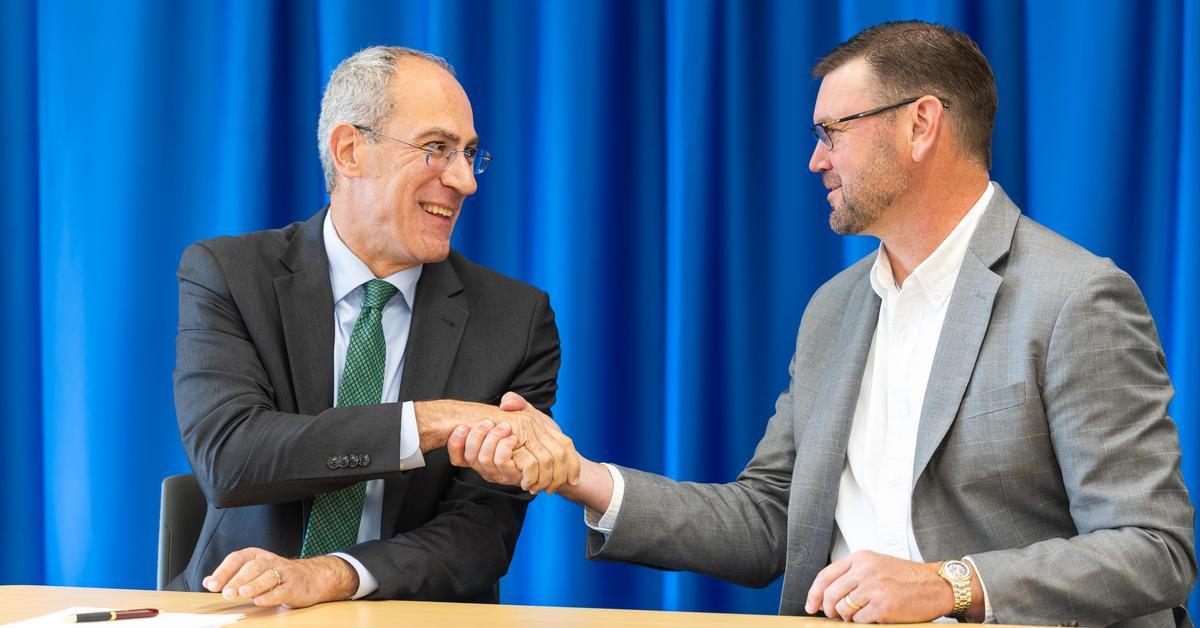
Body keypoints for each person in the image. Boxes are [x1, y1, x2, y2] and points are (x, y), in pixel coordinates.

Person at [449, 21, 1196, 626]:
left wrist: (950, 586)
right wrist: (577, 476)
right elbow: (767, 520)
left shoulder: (1075, 297)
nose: (815, 160)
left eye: (832, 131)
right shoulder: (833, 310)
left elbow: (1154, 551)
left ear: (921, 124)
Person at [171, 46, 576, 609]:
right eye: (437, 149)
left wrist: (333, 575)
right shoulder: (230, 275)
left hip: (412, 614)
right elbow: (232, 458)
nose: (464, 181)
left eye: (470, 154)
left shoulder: (516, 320)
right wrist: (434, 421)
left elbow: (480, 536)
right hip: (241, 608)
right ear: (350, 150)